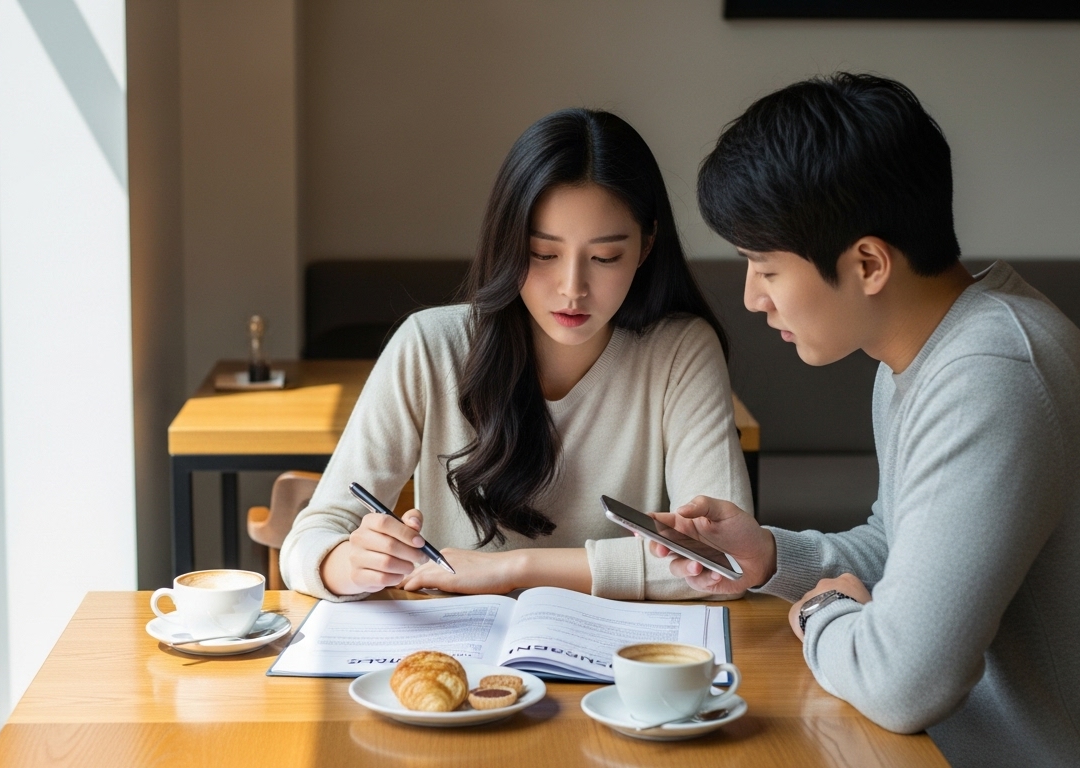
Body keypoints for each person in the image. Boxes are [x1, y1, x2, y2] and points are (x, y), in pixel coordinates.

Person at [647, 74, 1080, 766]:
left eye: (765, 268)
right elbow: (902, 546)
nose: (753, 298)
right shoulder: (924, 354)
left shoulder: (991, 374)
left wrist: (822, 615)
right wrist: (767, 555)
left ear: (868, 263)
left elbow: (906, 681)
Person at [281, 108, 753, 603]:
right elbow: (310, 538)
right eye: (543, 254)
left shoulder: (680, 351)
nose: (573, 289)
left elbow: (722, 563)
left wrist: (511, 569)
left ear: (646, 246)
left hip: (621, 665)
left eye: (605, 257)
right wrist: (347, 564)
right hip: (461, 660)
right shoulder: (429, 345)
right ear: (508, 243)